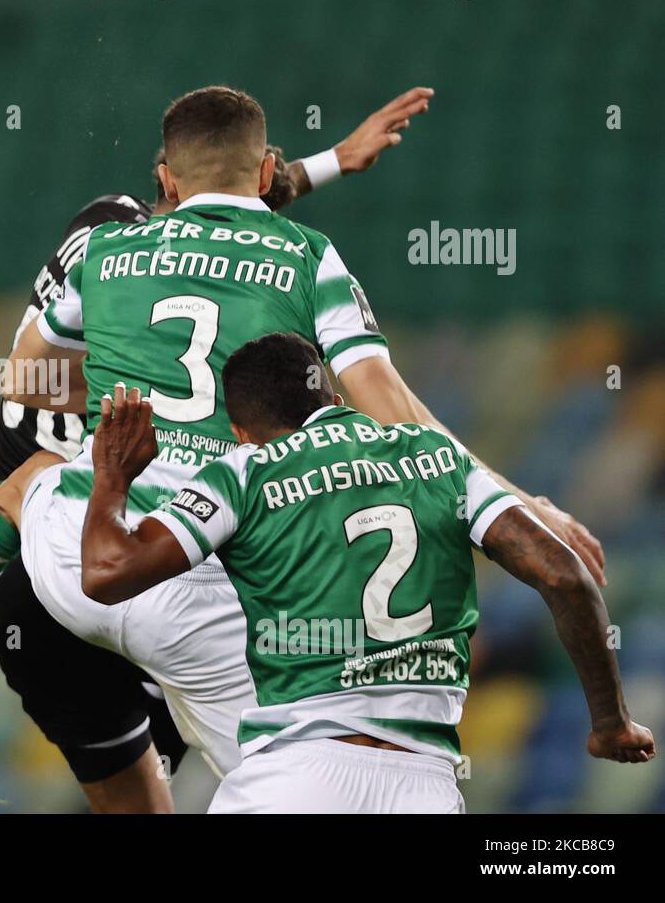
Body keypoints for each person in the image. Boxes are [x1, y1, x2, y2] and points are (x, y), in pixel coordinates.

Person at [0, 85, 602, 810]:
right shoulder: (307, 258)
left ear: (164, 177)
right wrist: (514, 498)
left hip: (82, 568)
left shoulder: (107, 250)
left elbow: (25, 378)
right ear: (267, 170)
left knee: (29, 478)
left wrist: (126, 399)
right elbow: (391, 410)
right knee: (308, 768)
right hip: (214, 594)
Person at [79, 333, 654, 812]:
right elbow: (564, 574)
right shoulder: (438, 457)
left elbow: (107, 573)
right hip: (423, 787)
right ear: (330, 390)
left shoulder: (245, 472)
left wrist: (112, 474)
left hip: (296, 780)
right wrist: (611, 722)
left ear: (240, 429)